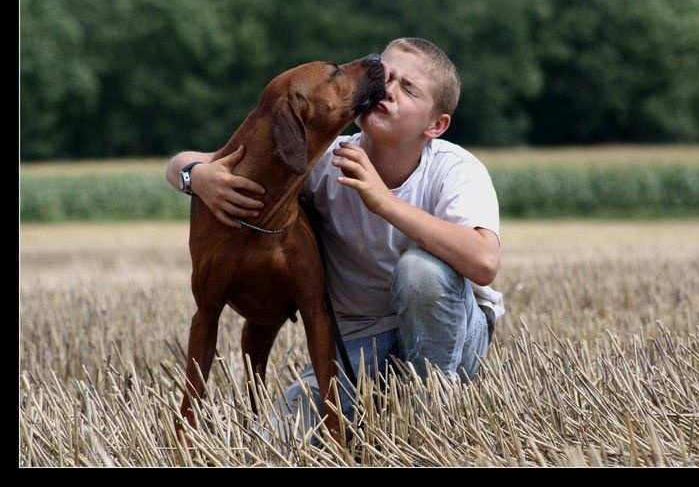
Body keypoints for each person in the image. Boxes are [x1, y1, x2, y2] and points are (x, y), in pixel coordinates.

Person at [166, 37, 504, 435]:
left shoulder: (456, 170)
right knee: (272, 439)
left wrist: (383, 201)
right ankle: (374, 409)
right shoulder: (323, 159)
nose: (387, 90)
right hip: (360, 344)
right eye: (388, 77)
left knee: (420, 272)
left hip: (452, 337)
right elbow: (185, 163)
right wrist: (195, 177)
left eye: (407, 89)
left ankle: (429, 414)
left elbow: (484, 262)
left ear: (436, 125)